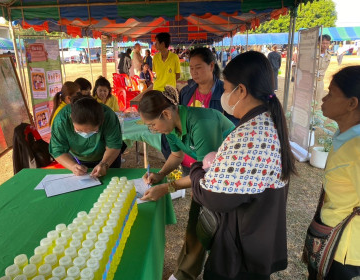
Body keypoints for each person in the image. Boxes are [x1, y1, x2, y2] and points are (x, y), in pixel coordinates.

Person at [188, 51, 296, 280]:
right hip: (261, 237)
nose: (225, 96)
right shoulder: (269, 119)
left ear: (242, 91)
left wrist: (198, 169)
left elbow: (214, 195)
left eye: (227, 90)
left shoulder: (249, 135)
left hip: (241, 251)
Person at [138, 87, 235, 280]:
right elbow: (177, 154)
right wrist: (161, 174)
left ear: (165, 113)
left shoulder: (200, 123)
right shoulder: (171, 126)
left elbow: (207, 174)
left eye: (152, 125)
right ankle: (183, 273)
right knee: (196, 224)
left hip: (230, 178)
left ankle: (184, 274)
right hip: (210, 176)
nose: (153, 129)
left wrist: (167, 187)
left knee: (204, 225)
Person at [306, 66, 360, 280]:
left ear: (352, 103)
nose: (323, 99)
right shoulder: (344, 135)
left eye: (331, 94)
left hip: (346, 250)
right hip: (331, 238)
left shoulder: (357, 149)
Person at [49, 93, 123, 177]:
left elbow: (114, 145)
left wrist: (104, 164)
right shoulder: (62, 120)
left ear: (102, 122)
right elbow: (58, 150)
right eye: (79, 130)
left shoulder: (108, 116)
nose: (85, 134)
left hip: (108, 158)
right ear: (71, 118)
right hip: (76, 160)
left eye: (93, 131)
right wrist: (73, 166)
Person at [316, 34, 332, 108]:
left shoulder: (328, 55)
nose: (325, 45)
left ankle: (313, 118)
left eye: (327, 43)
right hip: (310, 81)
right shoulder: (312, 54)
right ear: (318, 43)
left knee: (317, 102)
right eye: (323, 43)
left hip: (320, 81)